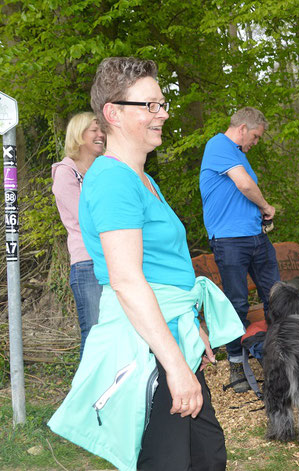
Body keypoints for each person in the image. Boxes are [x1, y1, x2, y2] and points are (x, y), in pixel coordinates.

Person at [48, 57, 243, 471]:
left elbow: (162, 268)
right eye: (150, 105)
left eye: (162, 103)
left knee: (206, 455)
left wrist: (190, 326)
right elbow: (126, 279)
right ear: (113, 113)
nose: (163, 113)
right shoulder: (114, 179)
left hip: (170, 336)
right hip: (146, 348)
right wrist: (174, 364)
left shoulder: (143, 178)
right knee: (171, 461)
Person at [200, 107, 280, 393]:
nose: (255, 143)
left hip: (256, 237)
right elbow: (245, 185)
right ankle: (236, 362)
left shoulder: (239, 154)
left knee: (276, 294)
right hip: (229, 241)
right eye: (256, 136)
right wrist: (266, 206)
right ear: (243, 128)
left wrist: (259, 217)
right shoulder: (218, 145)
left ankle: (280, 352)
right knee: (237, 303)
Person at [52, 112, 105, 358]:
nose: (101, 134)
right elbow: (88, 219)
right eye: (94, 129)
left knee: (115, 332)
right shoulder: (66, 172)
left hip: (113, 260)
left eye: (101, 129)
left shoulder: (104, 169)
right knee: (95, 333)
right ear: (78, 134)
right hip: (87, 264)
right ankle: (84, 395)